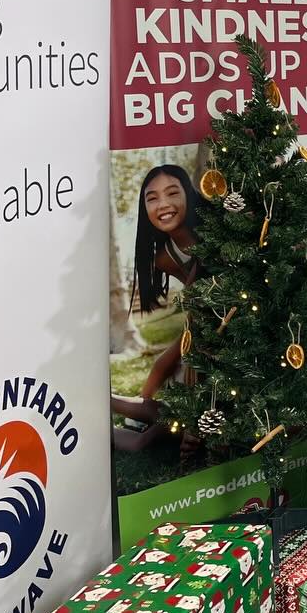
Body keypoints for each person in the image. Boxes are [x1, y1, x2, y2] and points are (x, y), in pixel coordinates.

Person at [111, 165, 203, 450]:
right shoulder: (165, 257)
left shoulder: (213, 236)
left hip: (218, 339)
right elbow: (196, 304)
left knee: (151, 435)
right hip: (202, 330)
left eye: (172, 193)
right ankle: (103, 407)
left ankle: (128, 416)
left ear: (189, 195)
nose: (163, 204)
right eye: (152, 198)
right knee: (165, 367)